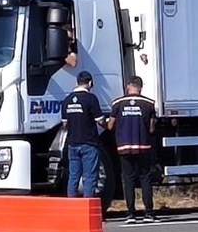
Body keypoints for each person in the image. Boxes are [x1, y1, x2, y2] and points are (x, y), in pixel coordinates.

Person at [107, 76, 158, 223]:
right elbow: (152, 127)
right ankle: (149, 213)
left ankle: (130, 214)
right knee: (145, 179)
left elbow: (110, 125)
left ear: (128, 86)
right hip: (143, 146)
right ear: (140, 87)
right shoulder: (149, 104)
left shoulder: (118, 103)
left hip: (124, 147)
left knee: (128, 179)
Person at [61, 71, 106, 198]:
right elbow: (100, 121)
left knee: (73, 176)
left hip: (73, 143)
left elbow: (65, 124)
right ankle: (87, 205)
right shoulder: (91, 99)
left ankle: (72, 207)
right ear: (90, 83)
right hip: (89, 143)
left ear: (77, 82)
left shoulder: (67, 100)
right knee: (90, 176)